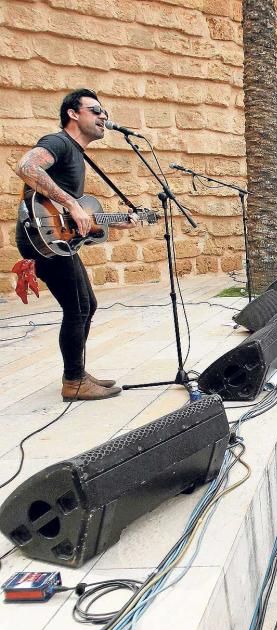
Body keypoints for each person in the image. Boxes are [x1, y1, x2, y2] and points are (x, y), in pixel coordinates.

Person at [14, 88, 140, 402]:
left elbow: (79, 221)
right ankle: (73, 382)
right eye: (95, 110)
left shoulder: (76, 153)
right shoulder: (59, 142)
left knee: (87, 305)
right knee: (78, 307)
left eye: (104, 113)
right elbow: (26, 167)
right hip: (43, 239)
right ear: (73, 113)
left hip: (58, 240)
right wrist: (72, 204)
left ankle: (77, 372)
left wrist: (113, 220)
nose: (103, 117)